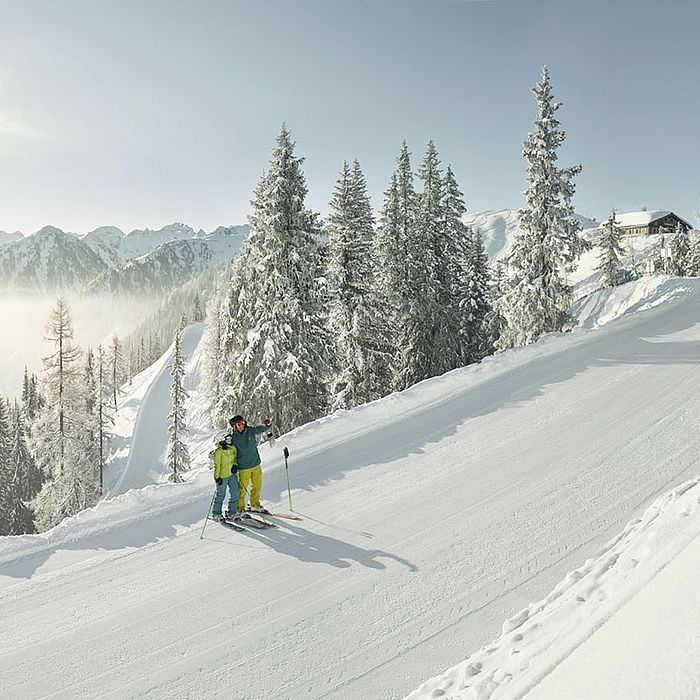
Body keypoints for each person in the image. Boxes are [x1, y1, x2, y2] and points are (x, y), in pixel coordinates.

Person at [228, 414, 272, 514]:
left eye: (243, 422)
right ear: (234, 426)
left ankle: (255, 505)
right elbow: (229, 451)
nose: (242, 425)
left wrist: (266, 425)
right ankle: (240, 508)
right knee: (242, 489)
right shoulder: (233, 438)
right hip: (244, 467)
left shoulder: (250, 431)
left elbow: (259, 429)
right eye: (239, 423)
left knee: (257, 486)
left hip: (255, 463)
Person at [212, 433, 239, 521]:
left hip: (232, 475)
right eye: (227, 439)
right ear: (222, 440)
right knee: (221, 495)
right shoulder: (218, 451)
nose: (229, 440)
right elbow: (217, 465)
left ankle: (232, 512)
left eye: (230, 438)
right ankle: (216, 513)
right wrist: (217, 477)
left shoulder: (233, 448)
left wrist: (235, 466)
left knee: (235, 493)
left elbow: (234, 460)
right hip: (222, 476)